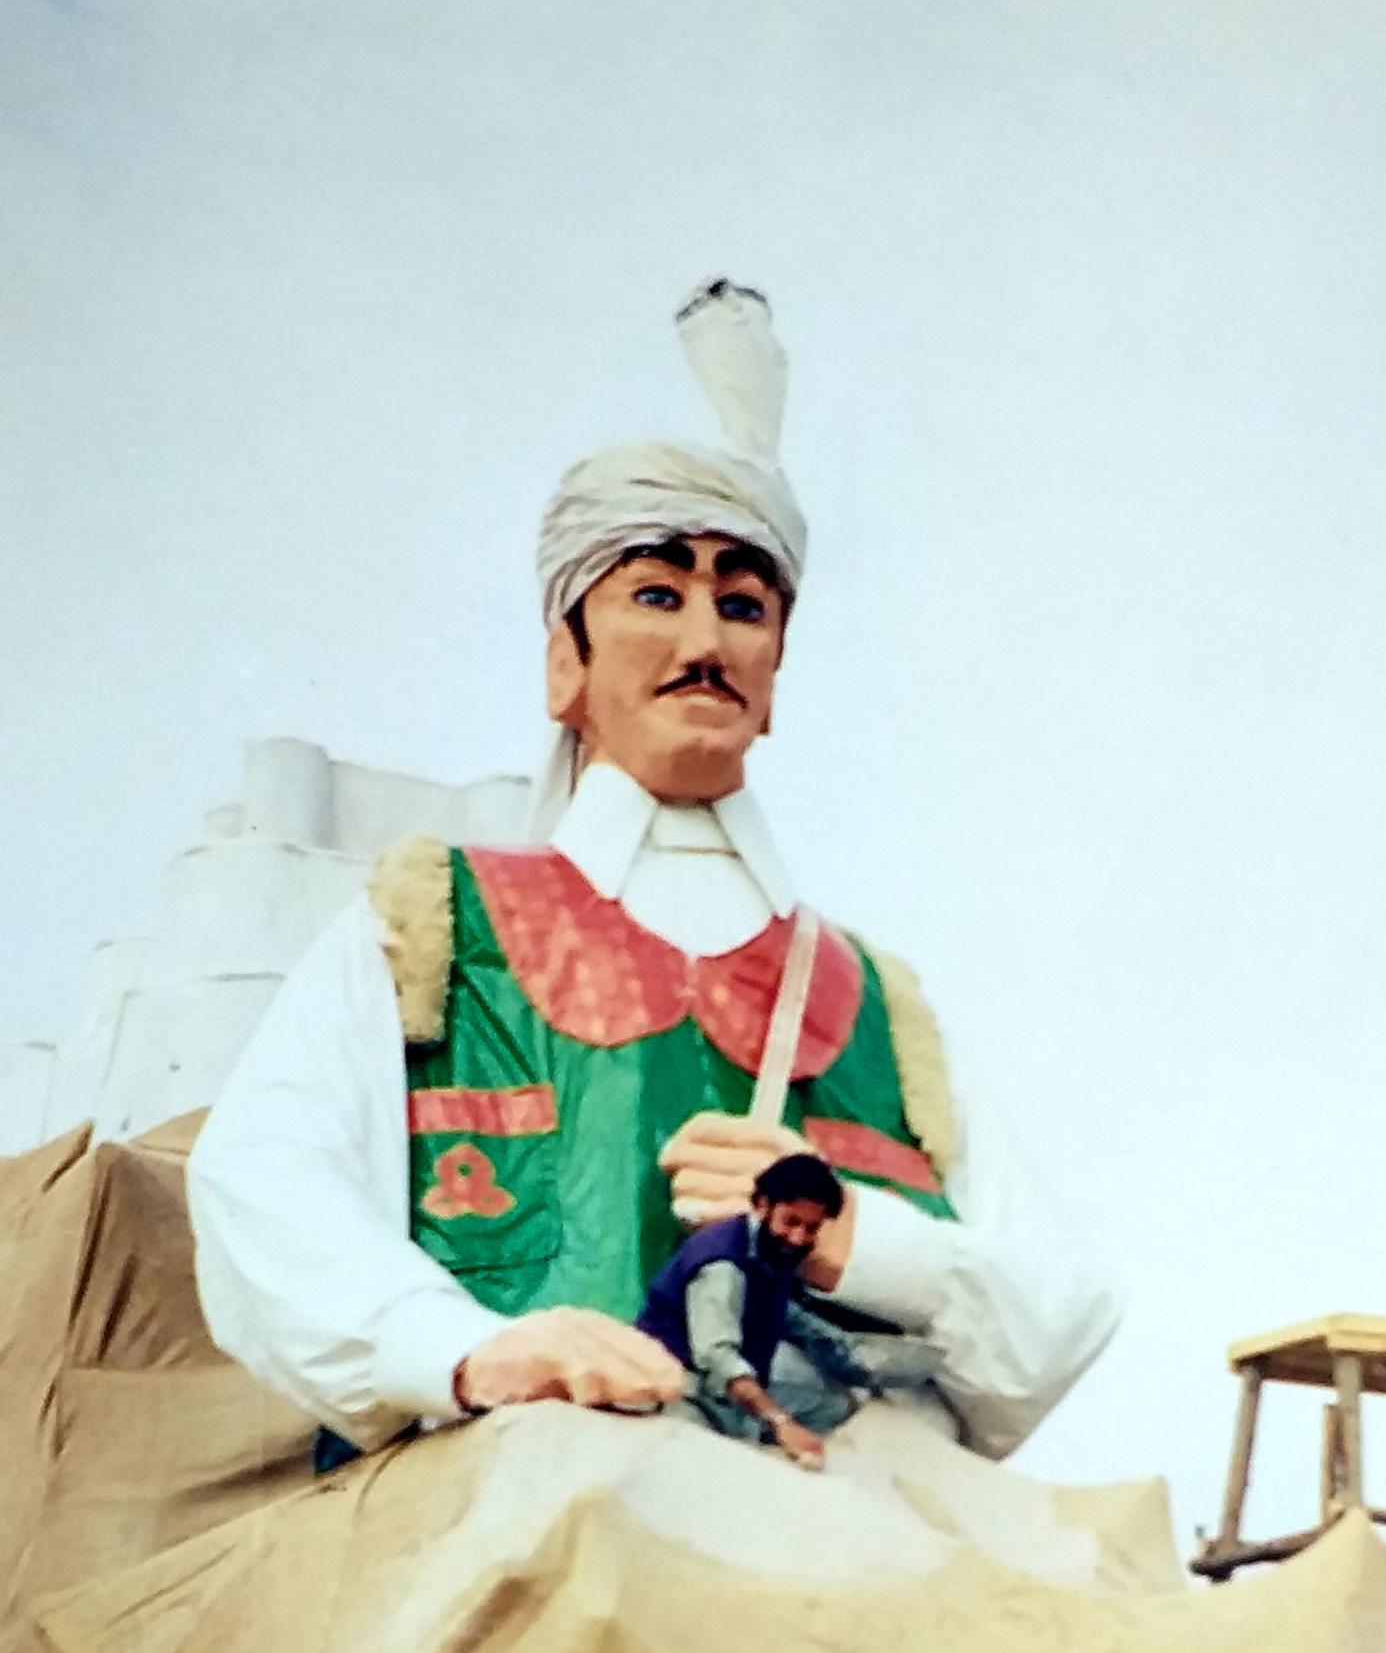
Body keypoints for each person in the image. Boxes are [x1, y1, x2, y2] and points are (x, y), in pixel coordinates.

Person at [187, 282, 1117, 1461]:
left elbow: (1065, 1302)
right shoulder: (435, 924)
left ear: (775, 671)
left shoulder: (880, 1002)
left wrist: (855, 1238)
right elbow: (262, 1182)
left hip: (835, 1534)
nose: (702, 642)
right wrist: (461, 1349)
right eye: (656, 594)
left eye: (741, 605)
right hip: (501, 1507)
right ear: (564, 661)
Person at [639, 1151, 925, 1467]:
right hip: (686, 1387)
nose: (798, 1237)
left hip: (739, 1386)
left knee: (833, 1408)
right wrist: (781, 1421)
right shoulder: (722, 1268)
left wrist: (842, 1346)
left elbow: (779, 1309)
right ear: (762, 1206)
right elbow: (718, 1357)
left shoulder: (772, 1253)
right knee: (701, 1459)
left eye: (812, 1228)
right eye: (791, 1221)